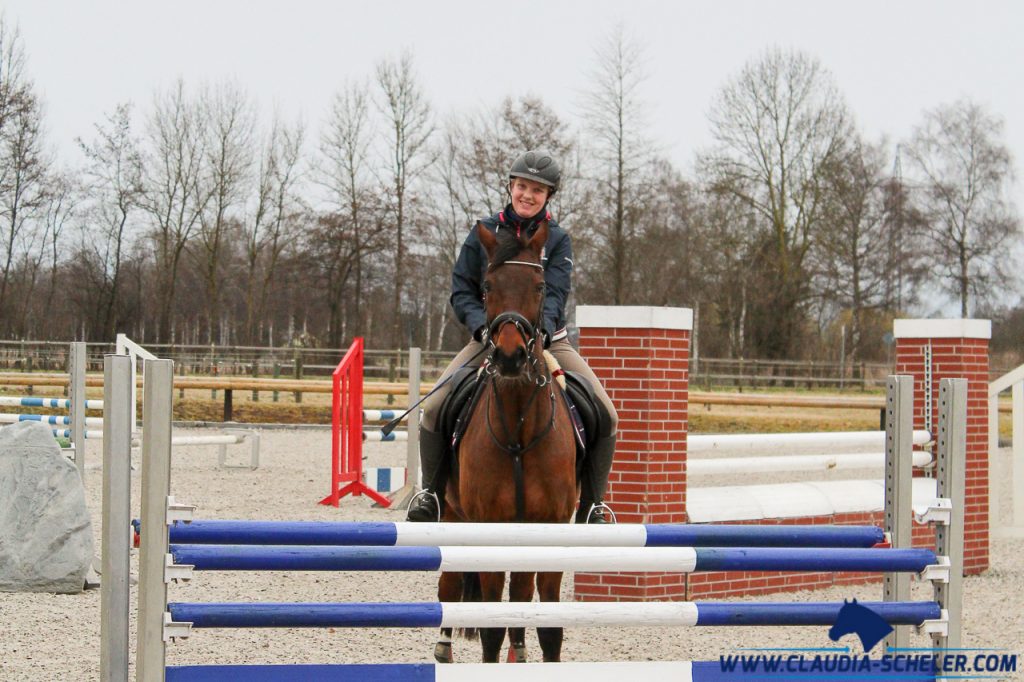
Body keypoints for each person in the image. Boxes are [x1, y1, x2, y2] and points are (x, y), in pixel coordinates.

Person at [405, 149, 618, 524]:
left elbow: (555, 294)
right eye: (522, 186)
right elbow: (462, 291)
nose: (528, 195)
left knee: (606, 412)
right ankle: (431, 495)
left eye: (537, 190)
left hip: (549, 340)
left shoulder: (557, 240)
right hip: (488, 337)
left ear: (548, 196)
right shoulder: (483, 233)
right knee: (435, 406)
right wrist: (481, 327)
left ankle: (592, 505)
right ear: (510, 187)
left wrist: (542, 332)